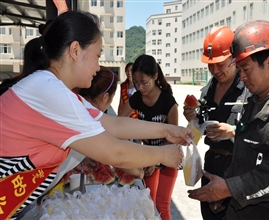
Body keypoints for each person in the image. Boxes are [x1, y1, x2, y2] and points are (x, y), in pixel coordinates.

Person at [0, 11, 193, 220]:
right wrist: (165, 154)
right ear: (75, 50)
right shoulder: (48, 91)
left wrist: (168, 129)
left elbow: (114, 124)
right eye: (97, 56)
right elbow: (115, 152)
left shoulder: (54, 89)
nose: (98, 66)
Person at [187, 20, 269, 219]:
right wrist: (222, 193)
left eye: (246, 69)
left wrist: (228, 188)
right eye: (239, 70)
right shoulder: (255, 103)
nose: (242, 77)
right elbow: (240, 157)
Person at [183, 25, 251, 220]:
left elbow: (262, 130)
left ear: (233, 57)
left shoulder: (248, 88)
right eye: (210, 64)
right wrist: (193, 120)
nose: (214, 69)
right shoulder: (206, 92)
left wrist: (234, 131)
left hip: (239, 167)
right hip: (211, 165)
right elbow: (199, 129)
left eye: (219, 63)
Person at [119, 54, 178, 220]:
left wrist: (157, 160)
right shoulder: (137, 98)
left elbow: (173, 140)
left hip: (168, 158)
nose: (140, 87)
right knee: (147, 203)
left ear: (155, 76)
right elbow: (119, 121)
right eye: (136, 83)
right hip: (148, 157)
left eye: (144, 82)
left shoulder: (168, 102)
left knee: (162, 205)